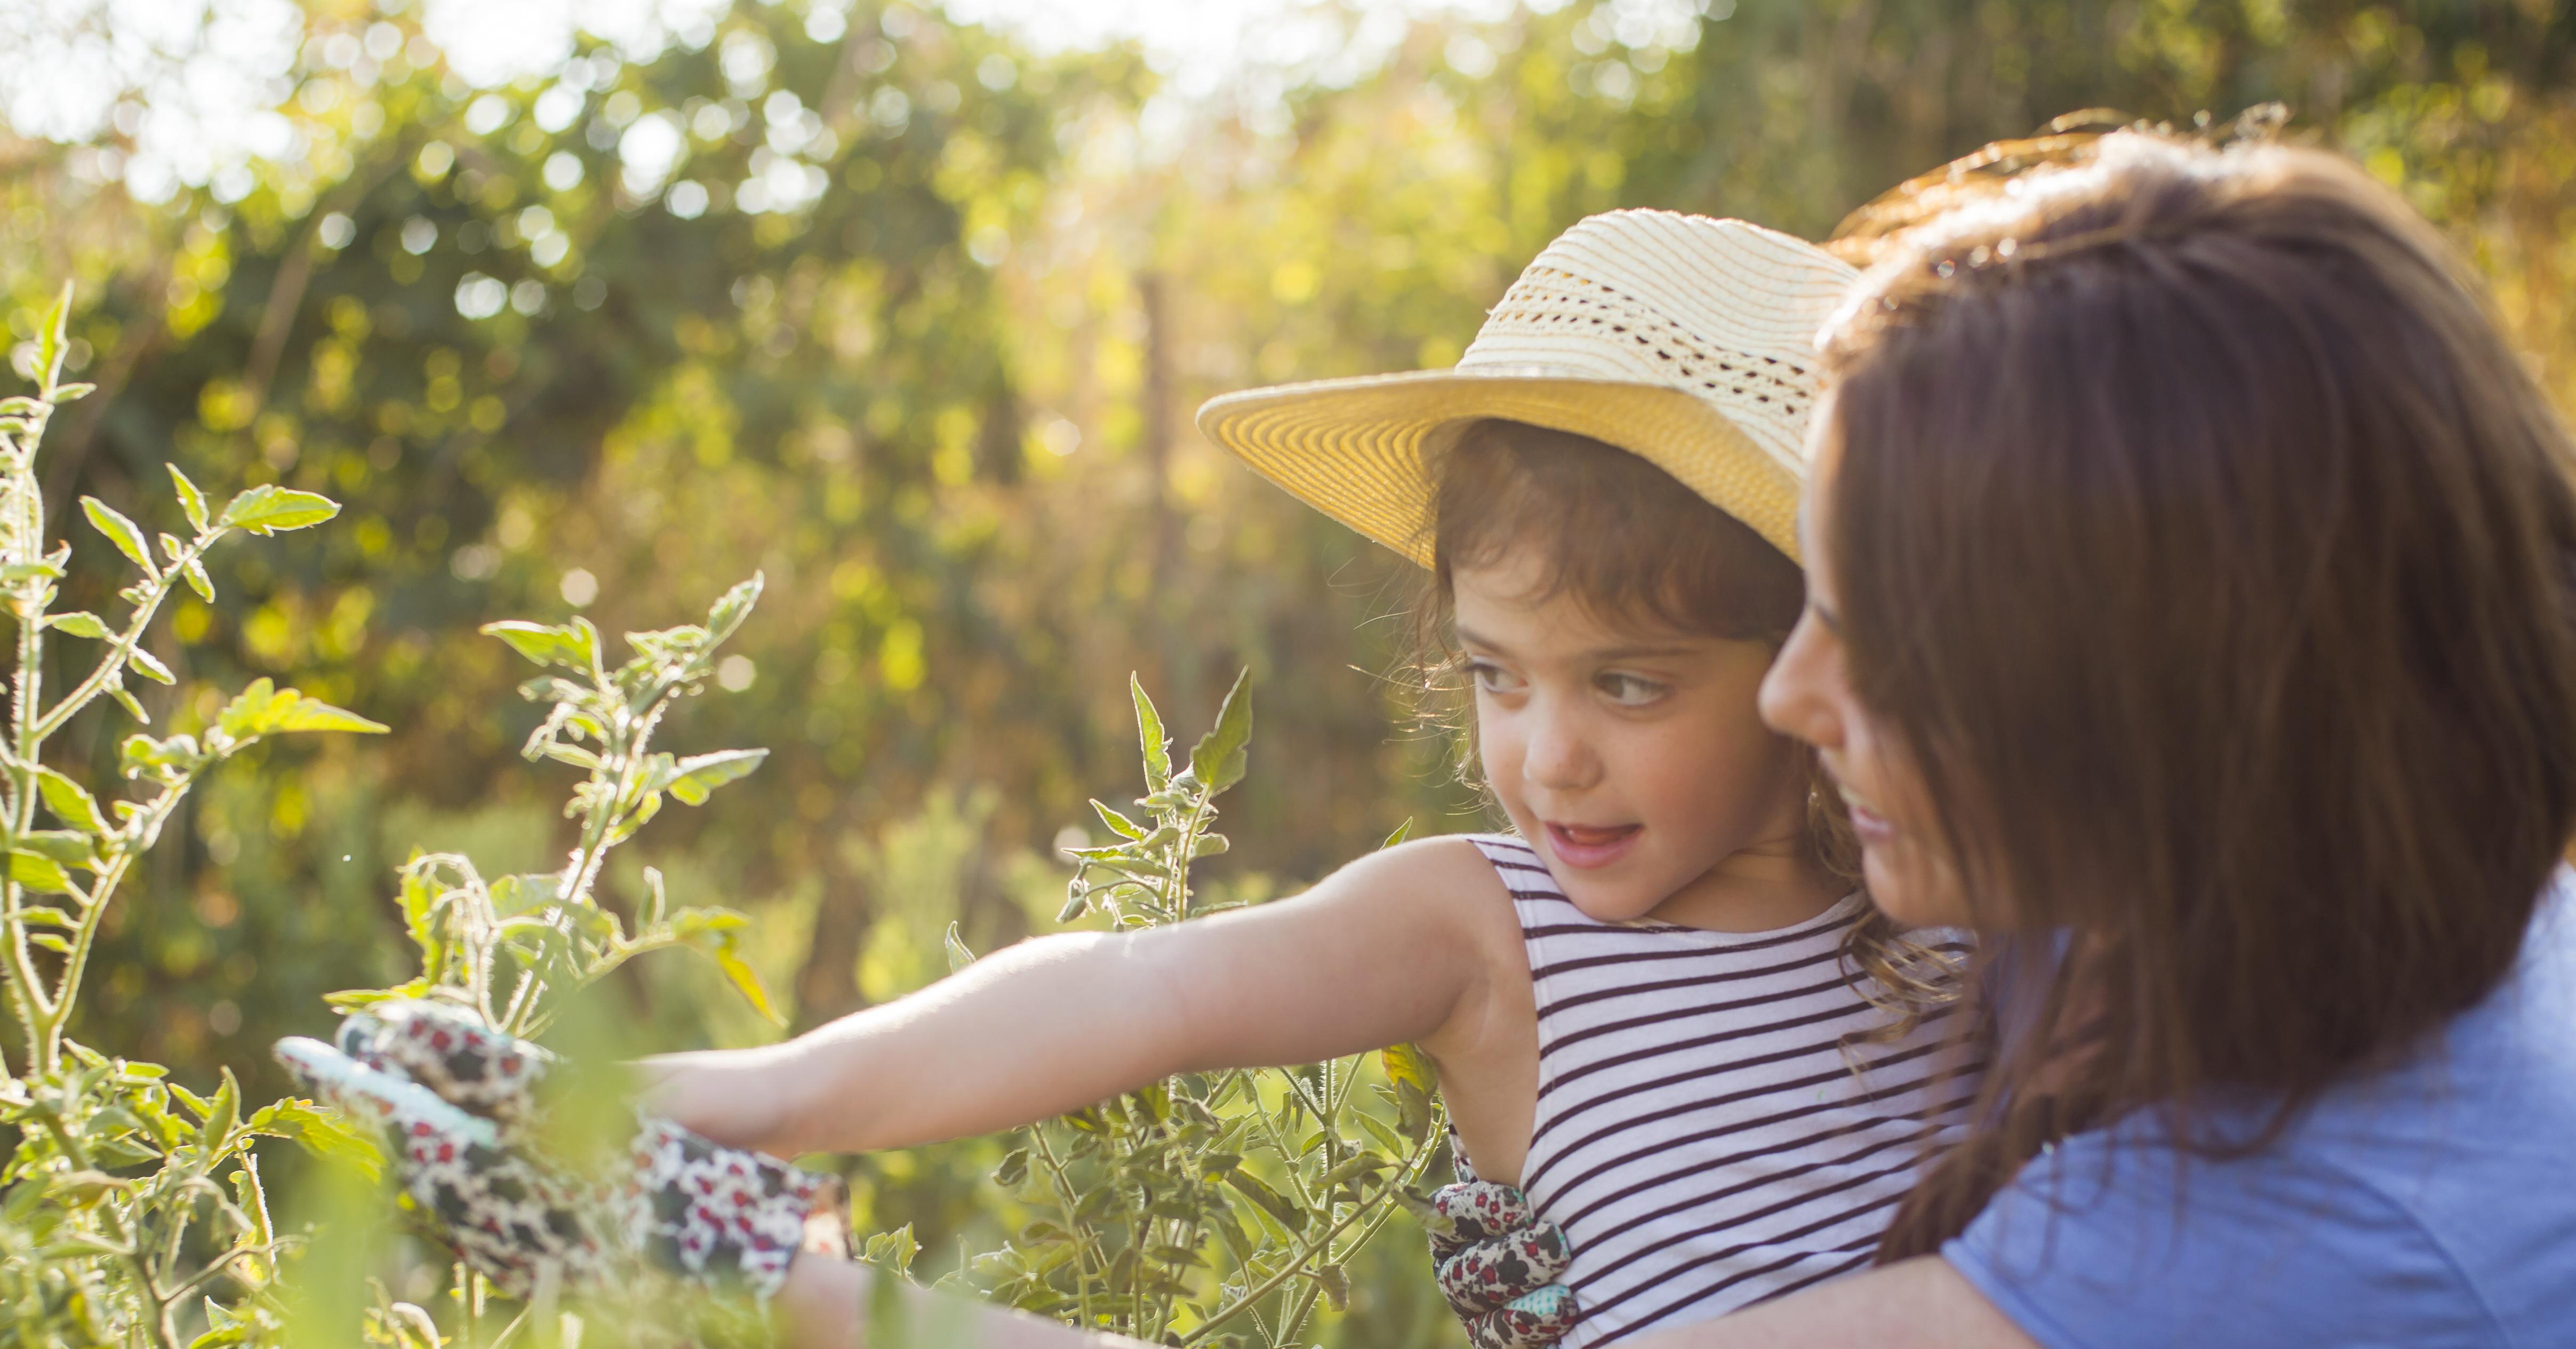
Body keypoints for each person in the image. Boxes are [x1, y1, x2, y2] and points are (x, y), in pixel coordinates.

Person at [635, 208, 1974, 1349]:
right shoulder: (1495, 929)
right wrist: (775, 1090)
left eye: (1629, 684)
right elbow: (1144, 981)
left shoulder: (1962, 914)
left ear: (1814, 650)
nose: (1549, 756)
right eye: (1499, 674)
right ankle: (756, 1264)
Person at [1594, 129, 2576, 1346]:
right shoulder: (2293, 866)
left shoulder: (2296, 1226)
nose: (1788, 699)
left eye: (1883, 640)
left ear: (2154, 698)